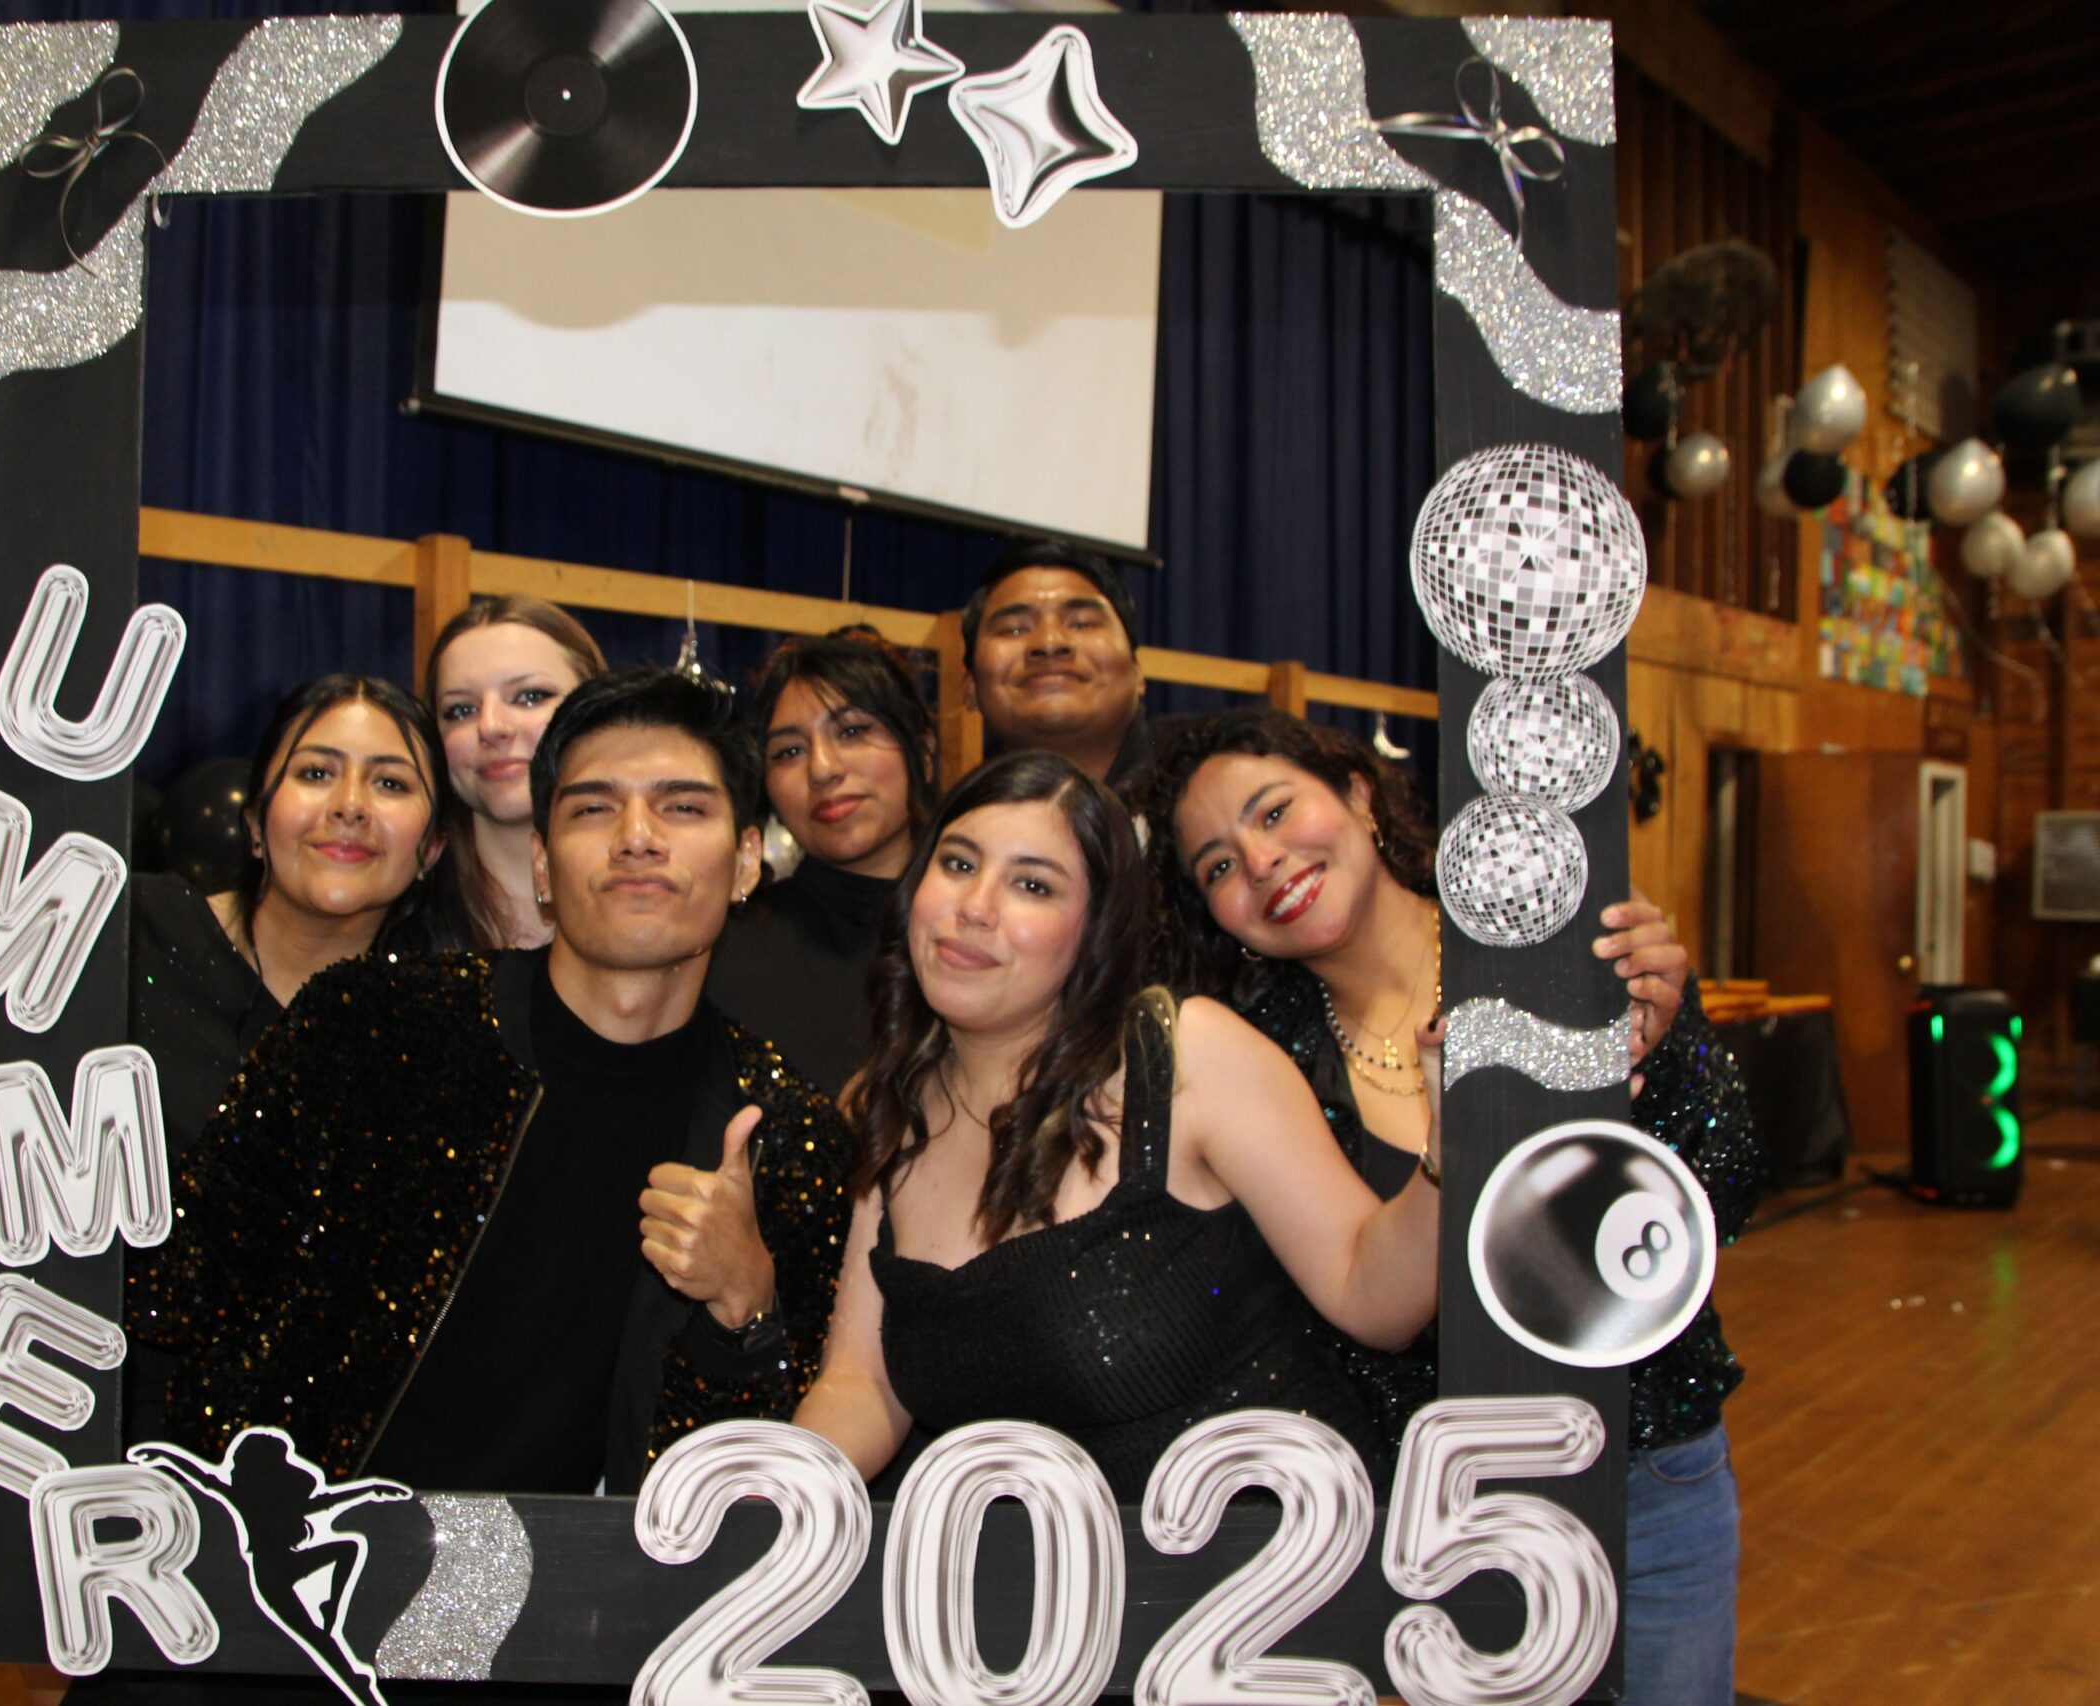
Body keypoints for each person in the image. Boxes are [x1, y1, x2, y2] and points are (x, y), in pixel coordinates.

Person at [1142, 704, 1763, 1706]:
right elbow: (1337, 1319)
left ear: (1354, 794)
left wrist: (1665, 1038)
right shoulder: (1257, 1060)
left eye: (1272, 811)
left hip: (1651, 1473)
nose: (1257, 862)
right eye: (1215, 864)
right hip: (1444, 1516)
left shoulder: (1545, 934)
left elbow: (1725, 1184)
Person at [129, 668, 856, 1498]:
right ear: (542, 866)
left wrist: (745, 1309)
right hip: (296, 1571)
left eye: (683, 807)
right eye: (593, 808)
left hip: (587, 1603)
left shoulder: (785, 1136)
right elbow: (176, 1296)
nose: (638, 837)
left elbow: (752, 1486)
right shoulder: (373, 1025)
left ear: (747, 863)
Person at [790, 751, 1439, 1499]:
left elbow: (1373, 1296)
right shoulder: (889, 1105)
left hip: (1282, 1579)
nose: (975, 906)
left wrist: (1448, 1153)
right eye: (959, 864)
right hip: (1051, 1601)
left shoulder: (1185, 1054)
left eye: (1032, 885)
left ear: (1094, 932)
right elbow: (862, 1384)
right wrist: (770, 1490)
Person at [0, 672, 458, 1151]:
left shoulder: (442, 1033)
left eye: (390, 782)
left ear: (432, 847)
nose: (350, 806)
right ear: (256, 825)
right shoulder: (113, 931)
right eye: (315, 773)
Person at [706, 630, 938, 1092]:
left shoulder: (980, 932)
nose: (823, 768)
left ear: (923, 750)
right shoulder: (723, 952)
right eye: (789, 751)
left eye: (853, 731)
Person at [423, 594, 609, 949]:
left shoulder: (666, 901)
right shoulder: (394, 921)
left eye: (529, 697)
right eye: (461, 710)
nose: (491, 726)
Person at [962, 539, 1172, 791]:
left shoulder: (1202, 787)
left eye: (1082, 623)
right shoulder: (959, 821)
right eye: (1015, 629)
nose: (1050, 643)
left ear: (1138, 673)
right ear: (971, 687)